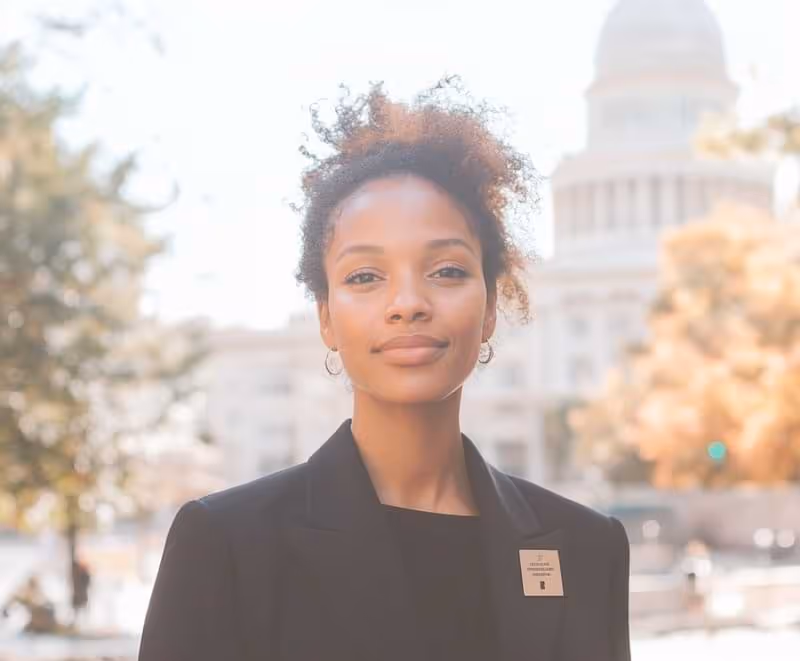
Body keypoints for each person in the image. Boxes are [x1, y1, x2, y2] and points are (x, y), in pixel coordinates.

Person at [138, 78, 631, 661]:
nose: (408, 303)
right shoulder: (226, 543)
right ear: (325, 317)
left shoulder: (585, 546)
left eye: (446, 270)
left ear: (492, 306)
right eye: (365, 277)